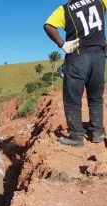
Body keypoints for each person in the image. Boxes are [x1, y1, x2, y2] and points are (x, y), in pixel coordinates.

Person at [44, 0, 107, 147]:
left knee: (72, 100)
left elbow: (48, 26)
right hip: (99, 56)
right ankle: (97, 133)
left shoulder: (65, 9)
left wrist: (62, 44)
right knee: (96, 97)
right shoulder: (100, 1)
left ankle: (76, 137)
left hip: (78, 56)